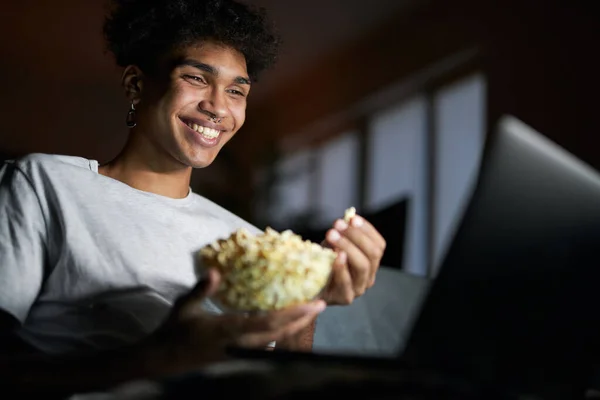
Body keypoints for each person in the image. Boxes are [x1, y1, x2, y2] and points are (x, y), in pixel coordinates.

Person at [0, 0, 386, 396]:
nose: (218, 107)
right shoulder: (44, 183)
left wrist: (311, 299)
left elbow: (279, 382)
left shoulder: (252, 245)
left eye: (237, 90)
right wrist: (158, 357)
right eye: (197, 79)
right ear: (136, 84)